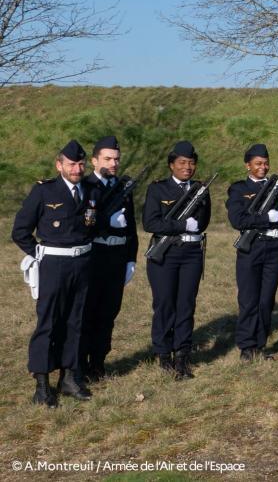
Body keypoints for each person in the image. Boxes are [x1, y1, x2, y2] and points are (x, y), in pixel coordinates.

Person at [12, 140, 97, 406]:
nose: (77, 168)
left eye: (81, 164)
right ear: (59, 165)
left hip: (81, 263)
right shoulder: (44, 192)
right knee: (48, 322)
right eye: (72, 164)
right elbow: (20, 231)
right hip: (53, 265)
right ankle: (42, 384)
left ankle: (69, 377)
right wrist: (38, 253)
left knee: (76, 320)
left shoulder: (91, 191)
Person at [143, 140, 212, 380]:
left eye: (192, 163)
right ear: (171, 165)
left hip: (191, 253)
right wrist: (181, 224)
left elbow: (203, 222)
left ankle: (182, 353)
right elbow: (150, 223)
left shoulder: (201, 190)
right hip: (166, 253)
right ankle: (163, 353)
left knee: (186, 304)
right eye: (182, 163)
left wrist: (192, 227)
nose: (187, 167)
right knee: (164, 303)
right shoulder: (158, 189)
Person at [79, 135, 137, 381]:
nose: (113, 163)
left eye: (116, 159)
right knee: (87, 312)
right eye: (108, 159)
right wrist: (107, 222)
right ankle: (80, 365)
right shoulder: (86, 186)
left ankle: (99, 364)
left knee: (109, 312)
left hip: (117, 256)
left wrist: (131, 259)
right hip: (94, 256)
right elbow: (85, 225)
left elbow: (132, 227)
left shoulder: (123, 187)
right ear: (94, 160)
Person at [226, 143, 278, 361]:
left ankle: (260, 344)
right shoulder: (238, 189)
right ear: (247, 166)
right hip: (250, 248)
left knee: (266, 299)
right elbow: (237, 219)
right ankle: (246, 346)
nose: (263, 167)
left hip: (273, 249)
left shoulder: (275, 186)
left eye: (266, 163)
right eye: (258, 163)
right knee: (249, 298)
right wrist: (263, 219)